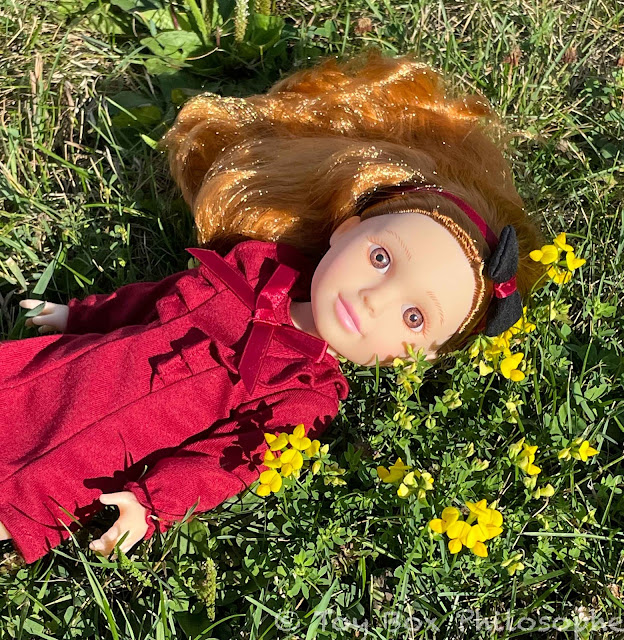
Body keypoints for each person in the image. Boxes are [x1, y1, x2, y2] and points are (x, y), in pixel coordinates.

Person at [0, 50, 544, 564]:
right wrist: (83, 315)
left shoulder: (307, 395)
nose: (374, 299)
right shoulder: (256, 269)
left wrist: (153, 502)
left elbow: (230, 459)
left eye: (414, 318)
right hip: (68, 372)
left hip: (95, 458)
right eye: (380, 258)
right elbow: (157, 299)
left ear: (419, 359)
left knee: (24, 495)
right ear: (346, 229)